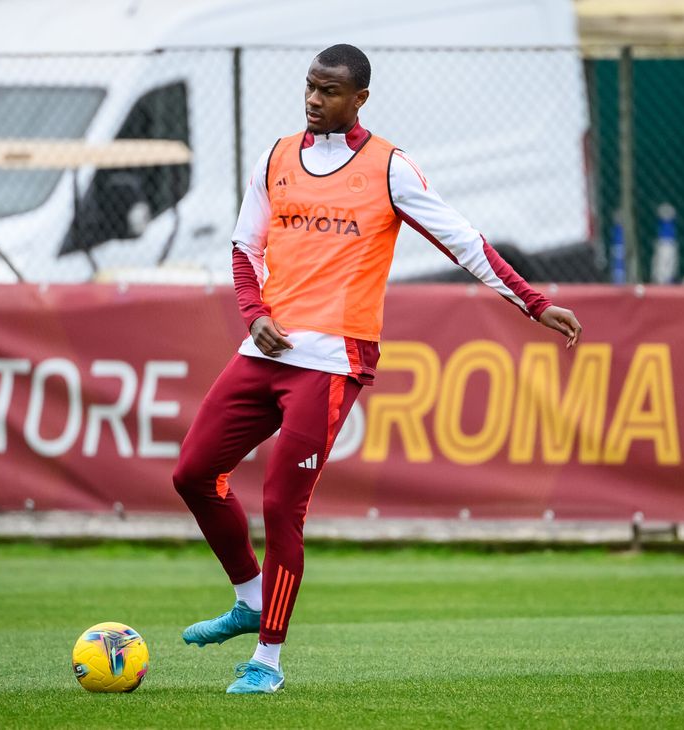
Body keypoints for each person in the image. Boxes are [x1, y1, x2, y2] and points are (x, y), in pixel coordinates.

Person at [172, 43, 582, 695]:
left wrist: (533, 302)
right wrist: (252, 314)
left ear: (359, 98)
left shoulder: (388, 168)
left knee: (281, 504)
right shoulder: (276, 157)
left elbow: (464, 240)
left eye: (329, 91)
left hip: (333, 361)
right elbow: (244, 246)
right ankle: (249, 596)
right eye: (309, 86)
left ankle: (266, 661)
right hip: (268, 352)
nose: (314, 99)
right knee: (194, 473)